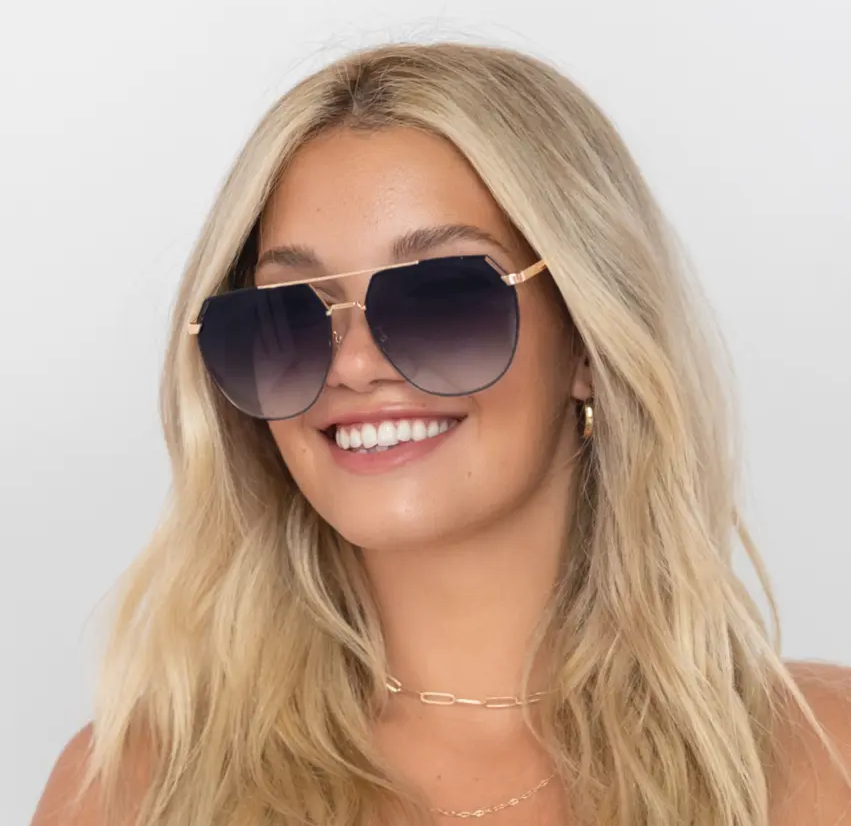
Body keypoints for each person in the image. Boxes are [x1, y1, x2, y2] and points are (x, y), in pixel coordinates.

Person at [32, 42, 851, 826]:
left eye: (441, 298)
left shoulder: (823, 756)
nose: (354, 364)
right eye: (288, 313)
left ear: (587, 343)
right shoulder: (130, 790)